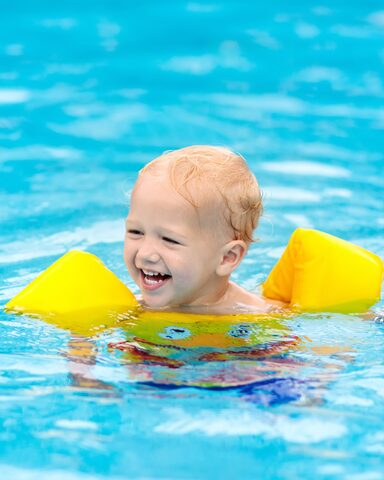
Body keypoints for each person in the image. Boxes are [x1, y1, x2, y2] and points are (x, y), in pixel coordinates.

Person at [124, 145, 285, 314]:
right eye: (136, 232)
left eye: (169, 239)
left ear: (227, 257)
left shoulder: (257, 315)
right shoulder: (131, 309)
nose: (144, 254)